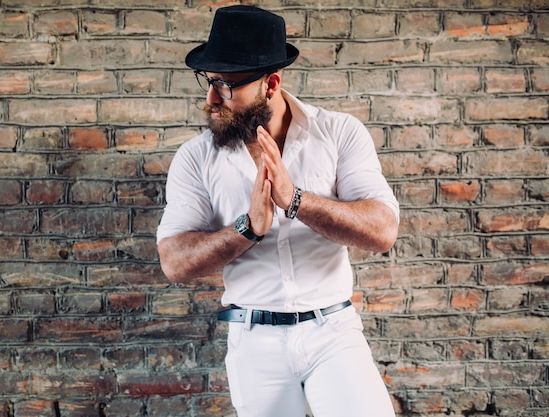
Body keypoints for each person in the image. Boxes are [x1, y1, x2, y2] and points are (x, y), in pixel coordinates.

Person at [157, 5, 399, 417]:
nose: (212, 98)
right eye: (209, 82)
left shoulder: (339, 133)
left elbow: (382, 231)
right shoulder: (195, 158)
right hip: (254, 341)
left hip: (333, 332)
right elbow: (174, 262)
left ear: (271, 83)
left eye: (227, 85)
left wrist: (297, 200)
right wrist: (247, 229)